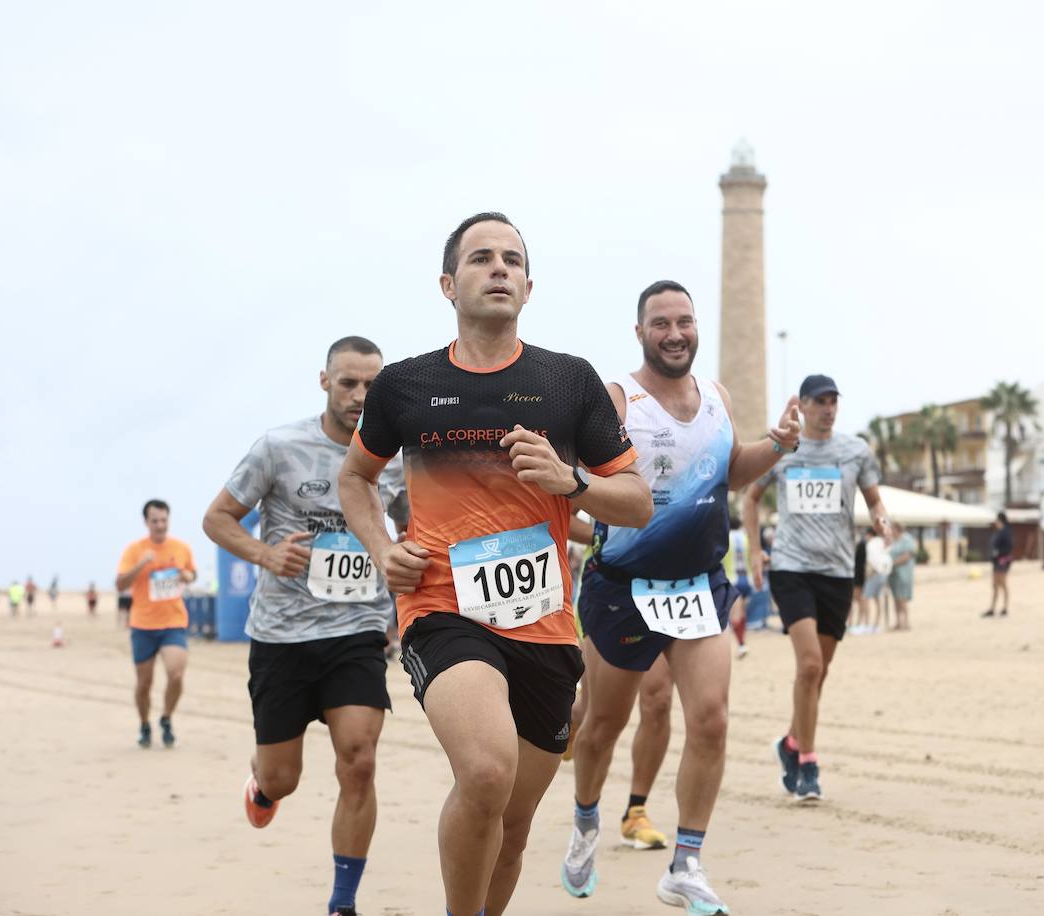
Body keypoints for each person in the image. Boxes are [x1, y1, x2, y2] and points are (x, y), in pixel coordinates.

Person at [339, 212, 651, 916]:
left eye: (512, 258)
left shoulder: (569, 383)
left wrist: (572, 481)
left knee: (511, 829)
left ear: (530, 287)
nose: (499, 267)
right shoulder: (404, 386)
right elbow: (354, 479)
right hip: (442, 607)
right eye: (481, 258)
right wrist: (383, 550)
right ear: (450, 284)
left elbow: (636, 504)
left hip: (544, 626)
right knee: (484, 772)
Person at [563, 279, 799, 914]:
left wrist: (776, 445)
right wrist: (590, 527)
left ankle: (686, 863)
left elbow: (730, 472)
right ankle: (586, 820)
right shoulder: (618, 400)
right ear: (639, 332)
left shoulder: (717, 395)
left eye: (684, 321)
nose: (675, 333)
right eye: (660, 323)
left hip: (699, 586)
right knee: (602, 726)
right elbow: (574, 487)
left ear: (697, 327)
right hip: (623, 589)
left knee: (712, 720)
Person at [204, 335, 409, 916]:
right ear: (324, 382)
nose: (360, 395)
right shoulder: (279, 447)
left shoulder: (394, 461)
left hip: (358, 631)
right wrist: (266, 554)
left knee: (360, 757)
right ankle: (262, 785)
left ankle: (342, 902)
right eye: (348, 382)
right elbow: (217, 518)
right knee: (283, 777)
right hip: (282, 636)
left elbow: (413, 524)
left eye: (372, 385)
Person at [745, 373, 887, 806]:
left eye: (833, 402)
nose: (828, 409)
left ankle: (790, 741)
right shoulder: (784, 450)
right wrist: (755, 550)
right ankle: (807, 762)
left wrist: (881, 517)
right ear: (802, 406)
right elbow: (750, 498)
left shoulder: (855, 451)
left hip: (838, 572)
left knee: (818, 673)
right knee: (808, 666)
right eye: (820, 401)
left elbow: (874, 498)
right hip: (791, 568)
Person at [564, 511, 676, 852]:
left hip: (670, 588)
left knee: (658, 700)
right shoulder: (608, 457)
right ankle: (568, 722)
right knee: (597, 711)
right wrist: (612, 538)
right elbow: (563, 514)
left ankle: (635, 812)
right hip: (612, 588)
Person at [116, 499, 197, 748]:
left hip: (173, 621)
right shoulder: (134, 550)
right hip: (142, 625)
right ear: (146, 522)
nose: (160, 525)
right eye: (155, 521)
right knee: (144, 684)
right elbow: (120, 584)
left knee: (176, 674)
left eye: (164, 520)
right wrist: (142, 563)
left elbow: (192, 573)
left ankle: (166, 718)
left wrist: (187, 575)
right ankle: (144, 724)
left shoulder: (181, 548)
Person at [725, 518, 751, 658]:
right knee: (741, 613)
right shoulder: (746, 538)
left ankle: (741, 644)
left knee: (735, 614)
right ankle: (742, 642)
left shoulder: (725, 538)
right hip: (747, 580)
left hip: (732, 579)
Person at [860, 523, 893, 634]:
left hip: (876, 572)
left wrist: (870, 574)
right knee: (876, 598)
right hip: (885, 572)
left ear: (869, 535)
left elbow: (872, 561)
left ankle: (866, 624)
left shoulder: (871, 544)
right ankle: (876, 624)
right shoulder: (881, 542)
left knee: (865, 598)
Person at [887, 521, 918, 631]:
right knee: (896, 598)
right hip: (893, 574)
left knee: (902, 598)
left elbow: (908, 555)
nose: (891, 530)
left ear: (898, 529)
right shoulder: (893, 541)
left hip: (904, 573)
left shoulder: (907, 539)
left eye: (893, 528)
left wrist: (893, 563)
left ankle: (906, 622)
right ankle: (898, 622)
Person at [983, 513, 1013, 618]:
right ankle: (992, 608)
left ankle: (1005, 607)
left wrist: (999, 553)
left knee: (1002, 584)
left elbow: (1009, 547)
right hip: (996, 561)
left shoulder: (1006, 532)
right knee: (995, 585)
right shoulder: (998, 532)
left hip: (1003, 561)